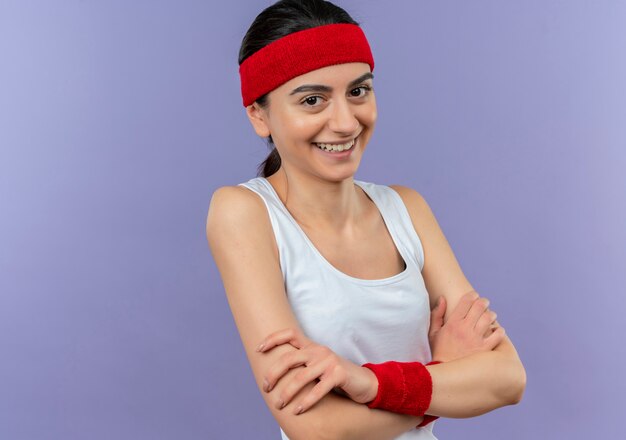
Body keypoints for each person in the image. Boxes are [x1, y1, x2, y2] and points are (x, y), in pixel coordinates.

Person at [206, 1, 526, 439]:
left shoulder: (406, 208)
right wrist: (444, 376)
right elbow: (316, 428)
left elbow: (508, 378)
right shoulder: (244, 213)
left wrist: (370, 382)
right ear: (259, 115)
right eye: (313, 100)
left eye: (358, 91)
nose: (344, 122)